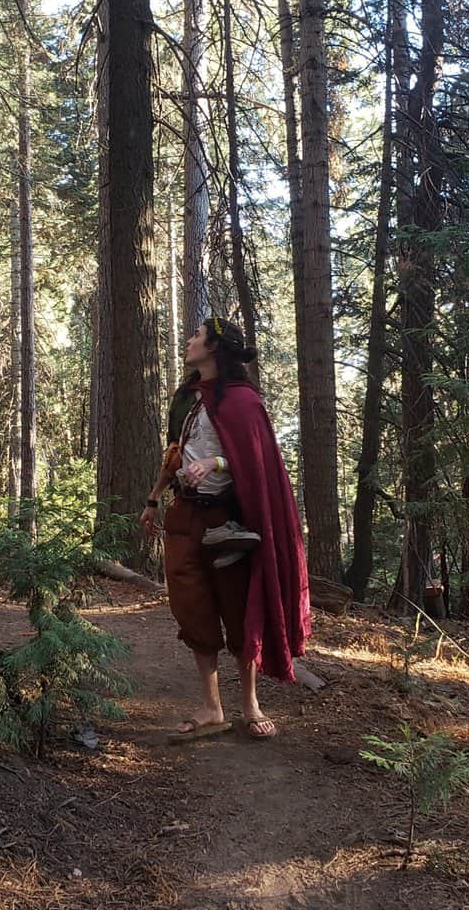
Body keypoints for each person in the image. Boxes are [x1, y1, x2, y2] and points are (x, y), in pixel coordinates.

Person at [140, 316, 311, 742]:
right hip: (184, 516)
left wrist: (216, 463)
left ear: (215, 346)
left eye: (197, 336)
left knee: (237, 606)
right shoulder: (185, 398)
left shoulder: (243, 401)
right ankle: (211, 707)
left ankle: (250, 704)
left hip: (227, 521)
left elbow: (259, 465)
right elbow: (174, 454)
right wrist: (154, 498)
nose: (190, 340)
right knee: (191, 606)